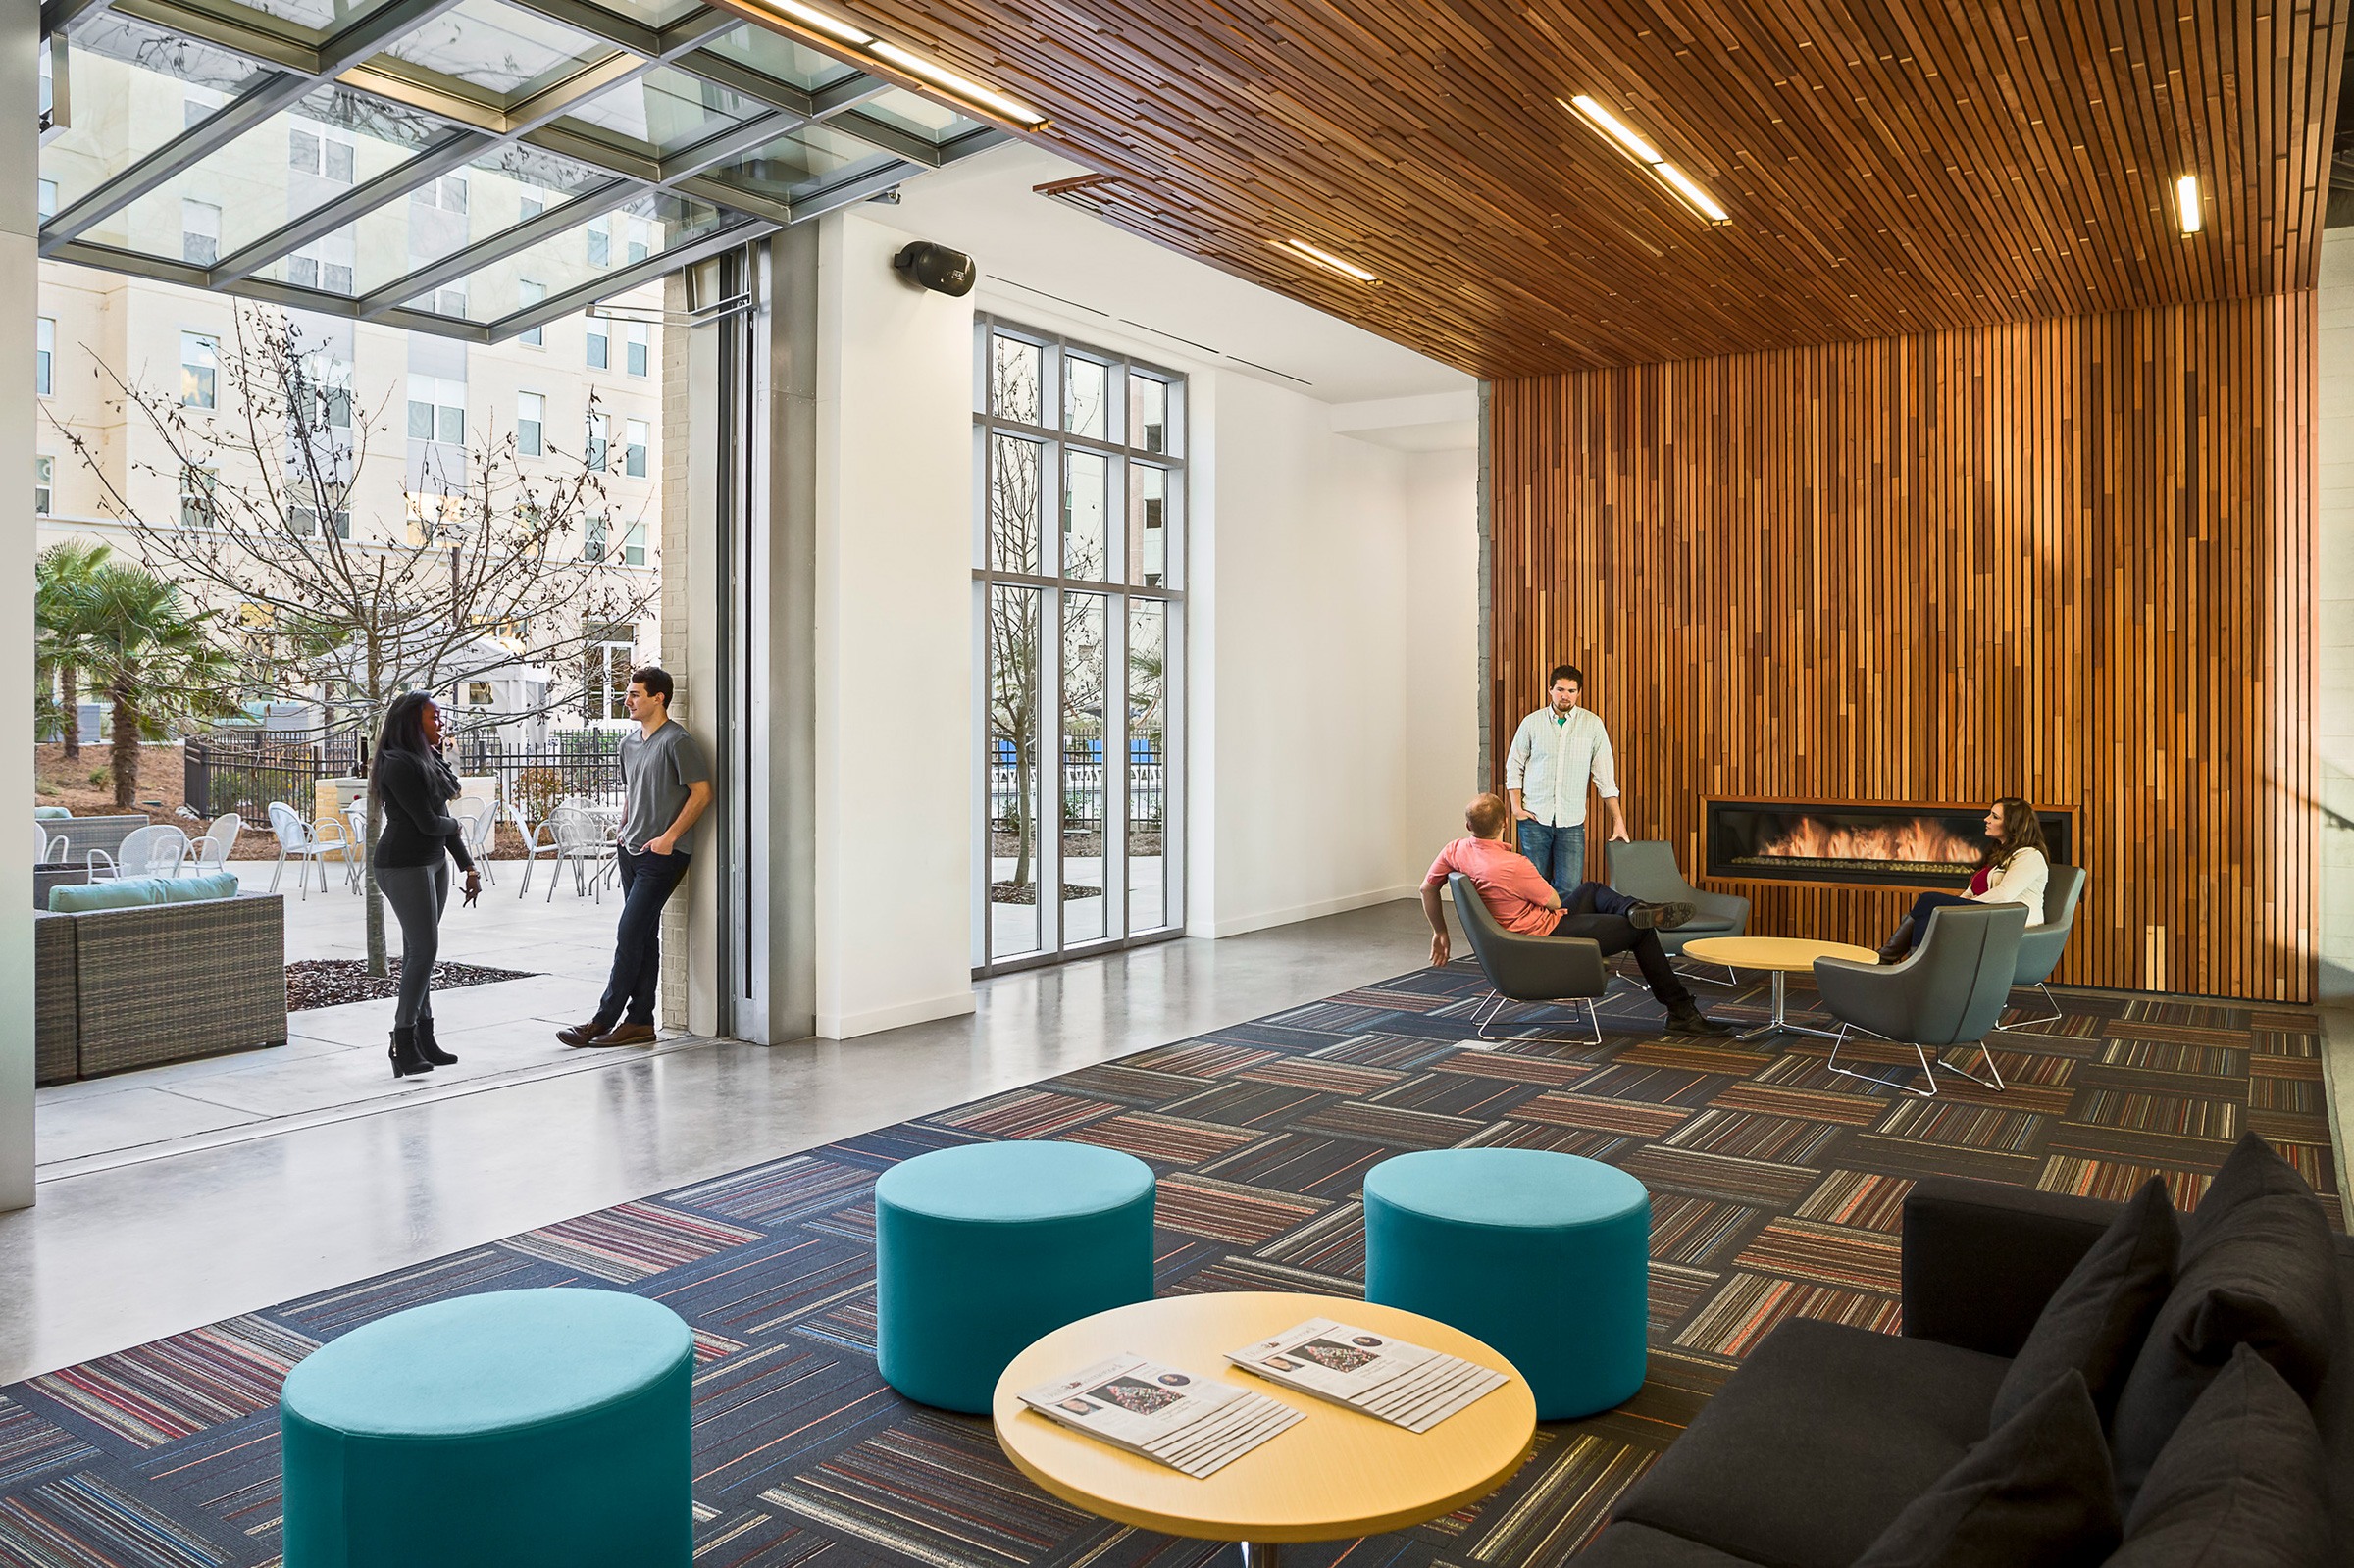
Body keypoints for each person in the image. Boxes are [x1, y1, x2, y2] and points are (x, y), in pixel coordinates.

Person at [1422, 793, 1732, 1036]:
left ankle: (1638, 908)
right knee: (1639, 931)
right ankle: (1682, 1013)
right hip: (1544, 937)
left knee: (1592, 889)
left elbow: (1427, 889)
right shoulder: (1514, 864)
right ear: (1504, 823)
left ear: (1468, 826)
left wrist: (1440, 932)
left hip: (1523, 933)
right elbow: (1555, 902)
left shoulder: (1455, 850)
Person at [558, 667, 712, 1047]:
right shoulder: (629, 743)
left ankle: (602, 1020)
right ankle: (640, 1022)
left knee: (629, 933)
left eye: (635, 694)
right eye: (627, 694)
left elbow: (702, 793)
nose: (627, 700)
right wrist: (624, 828)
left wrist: (669, 837)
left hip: (663, 855)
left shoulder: (677, 741)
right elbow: (633, 791)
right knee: (641, 935)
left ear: (658, 698)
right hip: (630, 851)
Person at [370, 692, 482, 1079]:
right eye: (434, 718)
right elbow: (430, 823)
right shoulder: (397, 764)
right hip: (402, 864)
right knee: (424, 949)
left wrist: (467, 865)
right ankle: (402, 1040)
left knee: (421, 952)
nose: (441, 724)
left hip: (433, 863)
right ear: (412, 723)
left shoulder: (427, 759)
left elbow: (442, 816)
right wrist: (459, 825)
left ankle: (425, 1038)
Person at [1506, 663, 1630, 901]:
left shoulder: (1592, 725)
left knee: (1570, 887)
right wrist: (1516, 808)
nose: (1565, 696)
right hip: (1534, 818)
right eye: (1560, 689)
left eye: (1572, 691)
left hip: (1571, 821)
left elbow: (1605, 777)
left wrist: (1618, 820)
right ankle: (1536, 935)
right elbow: (1514, 766)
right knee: (1535, 885)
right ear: (1550, 690)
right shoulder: (1532, 723)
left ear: (1578, 693)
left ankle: (1560, 935)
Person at [1876, 798, 2051, 962]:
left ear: (2013, 825)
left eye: (1995, 817)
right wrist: (1958, 906)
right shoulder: (2000, 854)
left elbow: (2004, 894)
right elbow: (1972, 888)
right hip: (1992, 915)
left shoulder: (2030, 856)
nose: (1986, 819)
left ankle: (1888, 957)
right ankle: (1914, 967)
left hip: (2012, 922)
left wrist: (1961, 906)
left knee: (1929, 899)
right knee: (1928, 915)